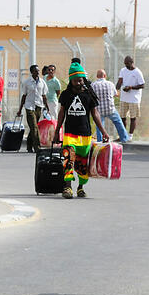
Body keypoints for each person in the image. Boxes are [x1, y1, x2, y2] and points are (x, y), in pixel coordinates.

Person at [54, 62, 109, 199]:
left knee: (82, 163)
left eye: (81, 80)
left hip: (85, 135)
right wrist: (56, 131)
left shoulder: (89, 94)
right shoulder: (66, 95)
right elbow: (62, 113)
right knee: (68, 159)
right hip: (69, 134)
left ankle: (80, 187)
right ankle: (67, 187)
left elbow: (95, 114)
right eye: (75, 80)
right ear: (71, 80)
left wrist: (103, 131)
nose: (78, 83)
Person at [91, 69, 130, 143]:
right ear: (105, 76)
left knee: (99, 126)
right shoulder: (110, 84)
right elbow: (116, 94)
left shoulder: (93, 85)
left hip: (99, 110)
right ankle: (124, 138)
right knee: (118, 122)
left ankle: (100, 141)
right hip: (110, 109)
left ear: (97, 76)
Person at [17, 65, 49, 153]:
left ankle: (29, 145)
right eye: (36, 71)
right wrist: (20, 109)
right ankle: (37, 147)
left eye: (38, 71)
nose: (38, 72)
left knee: (33, 127)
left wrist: (47, 107)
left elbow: (44, 96)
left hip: (39, 106)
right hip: (29, 106)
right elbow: (24, 96)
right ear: (32, 72)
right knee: (34, 127)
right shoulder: (27, 82)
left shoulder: (42, 82)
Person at [116, 56, 145, 141]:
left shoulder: (137, 72)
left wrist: (131, 87)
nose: (126, 65)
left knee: (133, 117)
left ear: (131, 63)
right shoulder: (123, 70)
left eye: (127, 64)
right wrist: (116, 90)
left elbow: (142, 85)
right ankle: (123, 135)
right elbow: (120, 81)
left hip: (134, 99)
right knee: (122, 117)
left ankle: (130, 136)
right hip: (124, 98)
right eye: (125, 64)